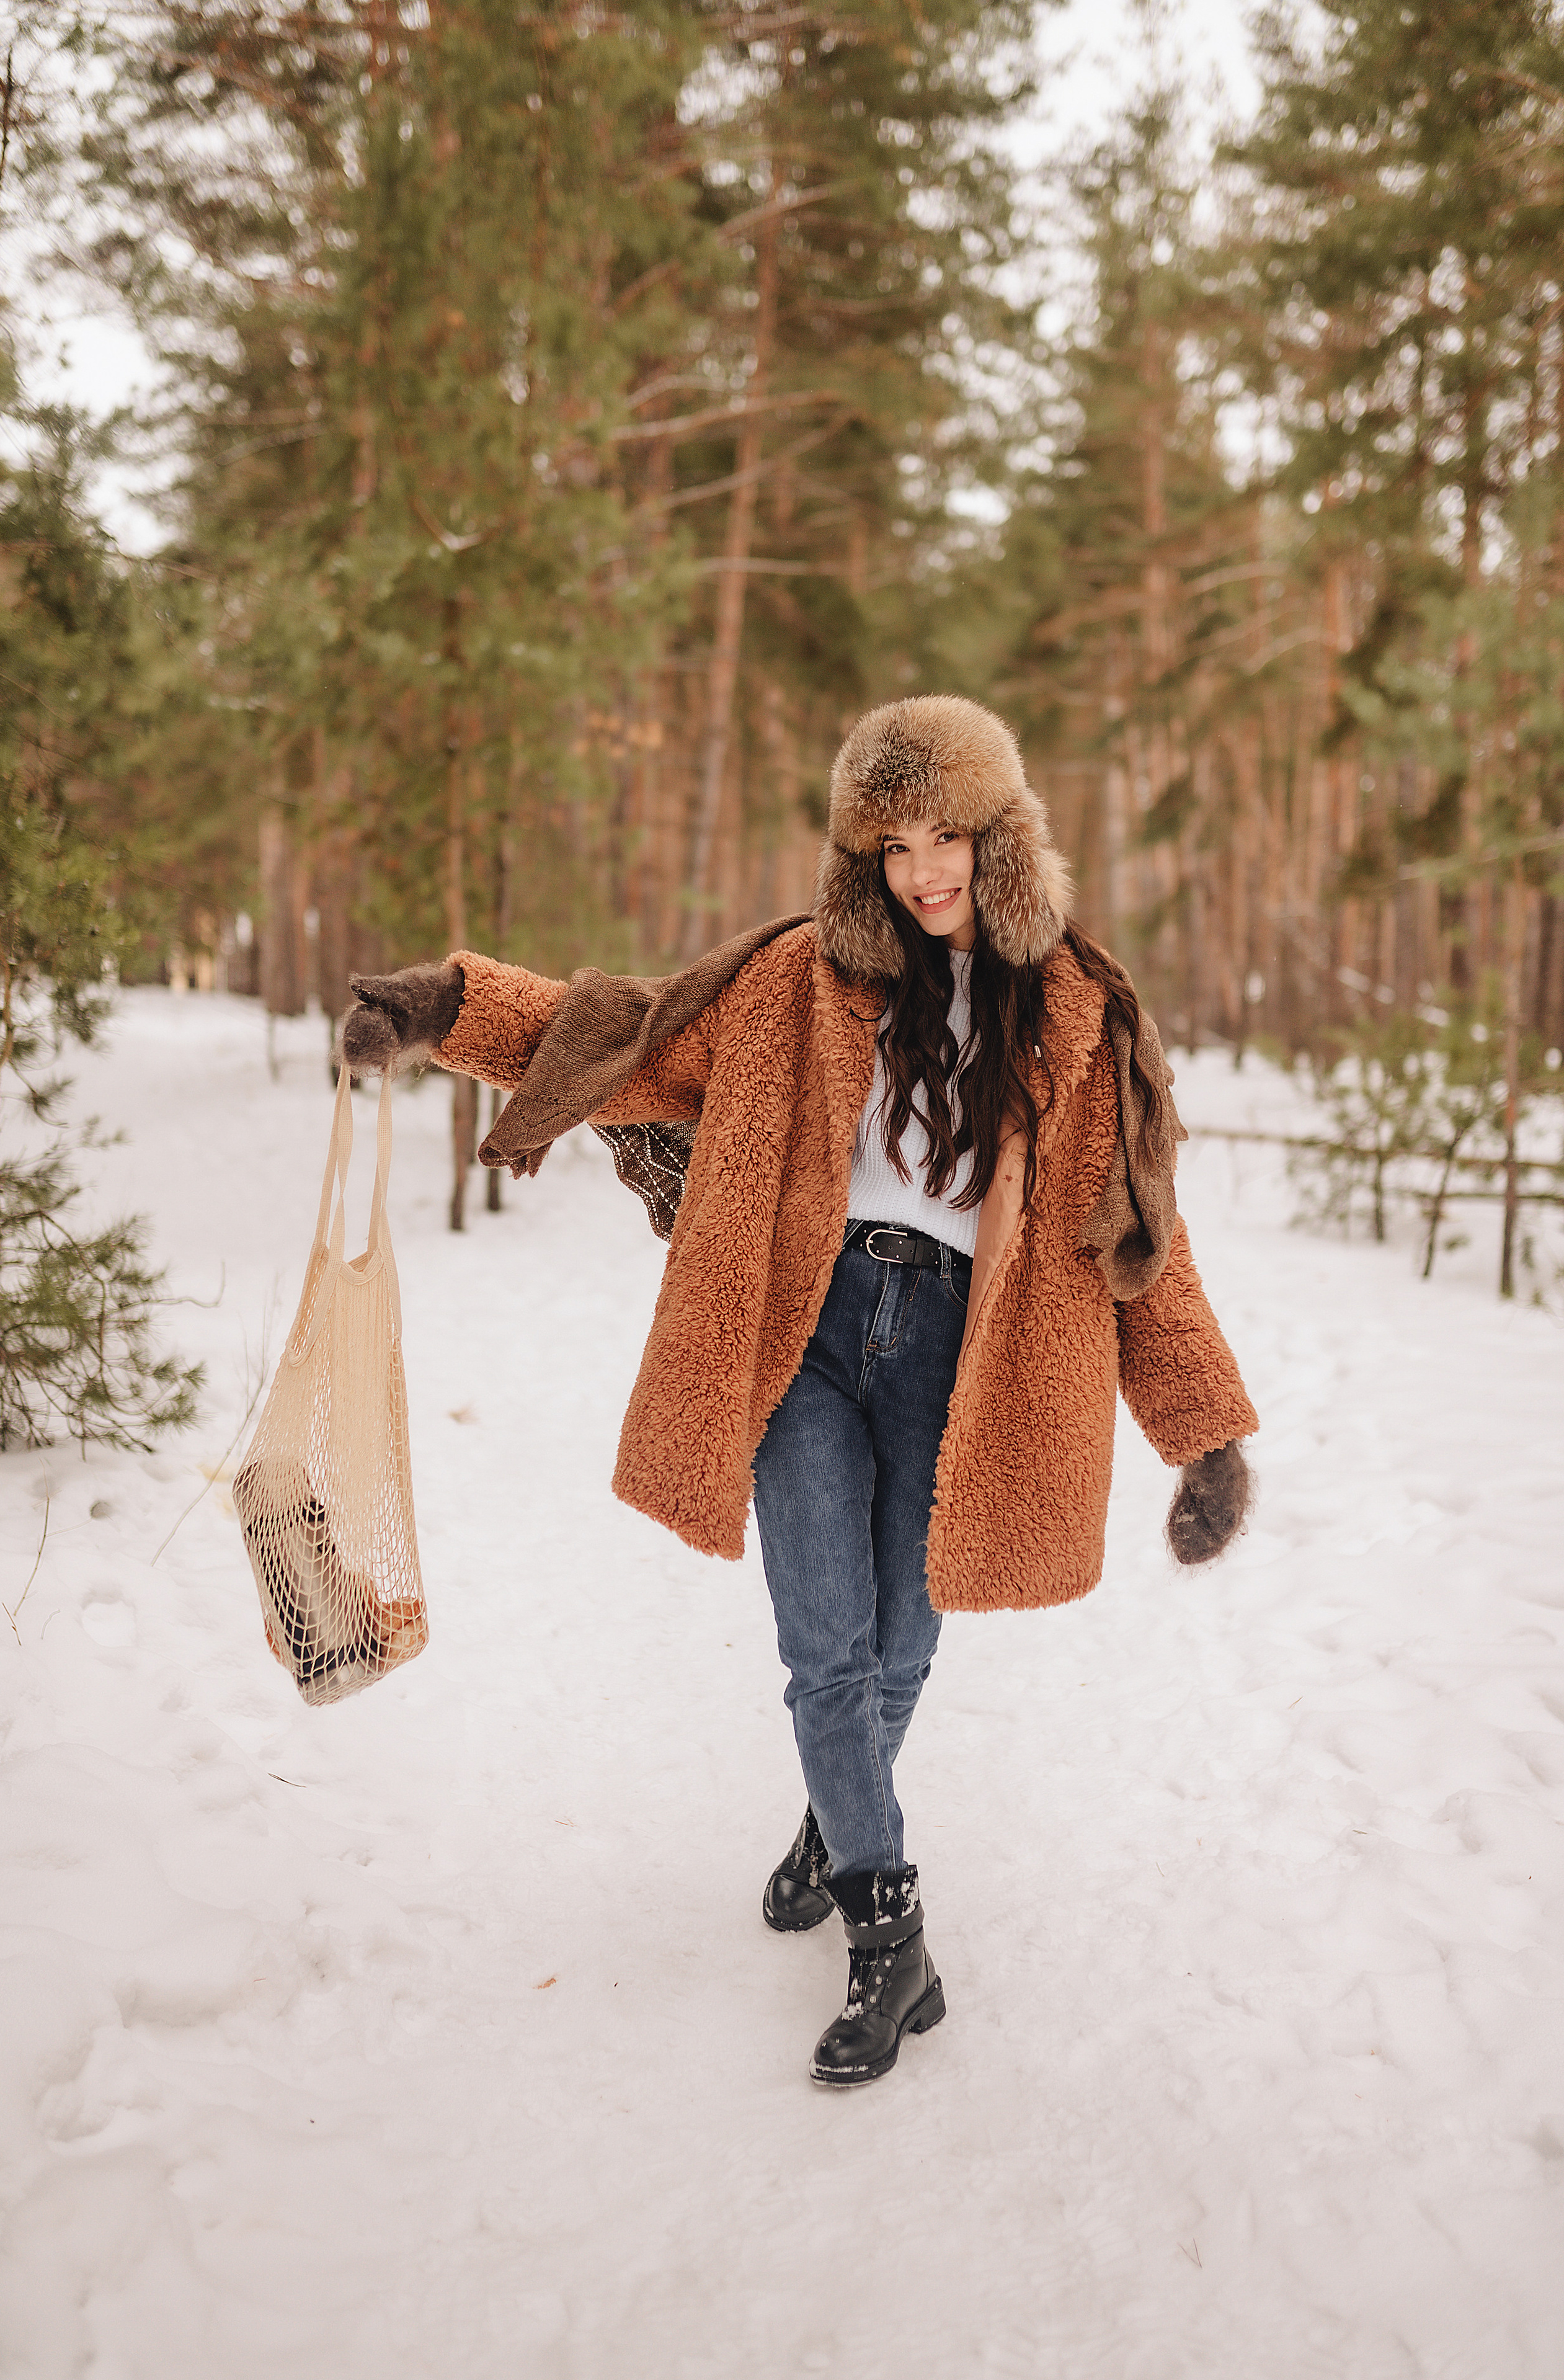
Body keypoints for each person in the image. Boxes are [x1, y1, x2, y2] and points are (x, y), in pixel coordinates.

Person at [342, 695, 1258, 2089]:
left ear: (999, 841)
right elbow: (621, 1035)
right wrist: (441, 1005)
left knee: (901, 1644)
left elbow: (1144, 1231)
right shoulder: (795, 981)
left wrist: (1202, 1432)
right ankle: (889, 1934)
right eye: (893, 843)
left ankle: (837, 1821)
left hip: (966, 1353)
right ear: (862, 858)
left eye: (947, 834)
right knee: (826, 1641)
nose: (923, 867)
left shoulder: (1077, 1013)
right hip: (806, 1326)